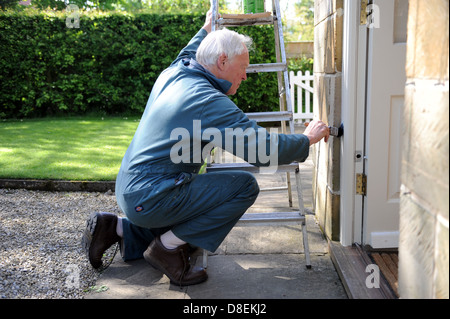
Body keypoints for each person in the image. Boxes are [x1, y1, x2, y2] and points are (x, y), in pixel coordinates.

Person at [82, 9, 329, 286]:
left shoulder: (177, 70)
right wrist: (306, 138)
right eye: (243, 67)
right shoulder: (206, 100)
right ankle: (166, 249)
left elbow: (188, 51)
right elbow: (263, 149)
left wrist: (206, 29)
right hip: (149, 196)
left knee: (195, 208)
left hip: (132, 186)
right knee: (243, 187)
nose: (246, 76)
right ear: (222, 60)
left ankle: (114, 227)